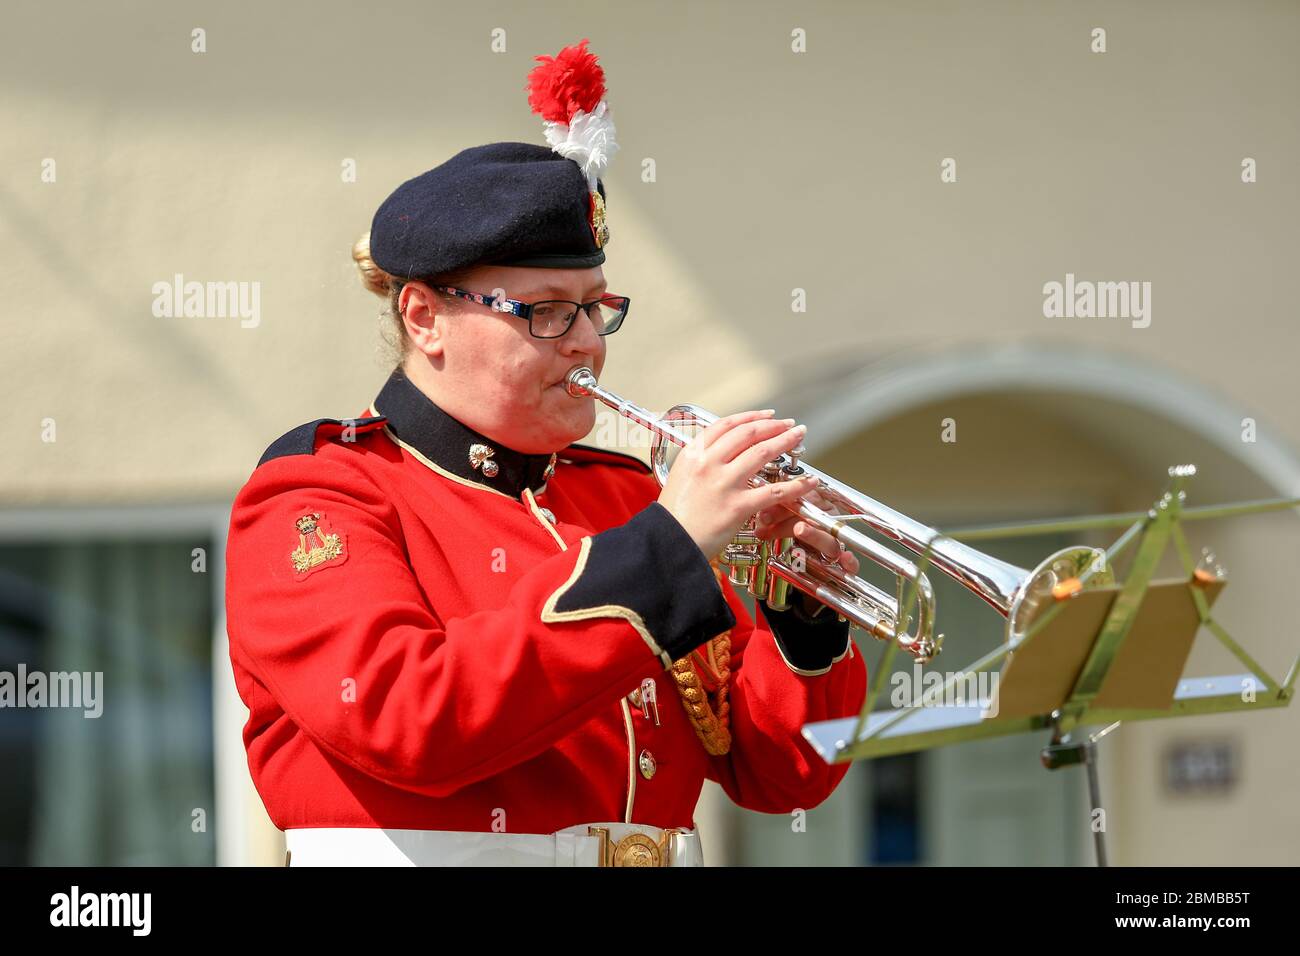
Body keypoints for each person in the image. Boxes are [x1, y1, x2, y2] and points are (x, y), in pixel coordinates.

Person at [224, 39, 867, 867]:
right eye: (548, 313)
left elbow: (785, 776)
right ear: (424, 317)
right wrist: (666, 548)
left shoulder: (629, 496)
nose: (591, 345)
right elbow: (412, 723)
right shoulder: (320, 492)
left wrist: (801, 621)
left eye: (598, 309)